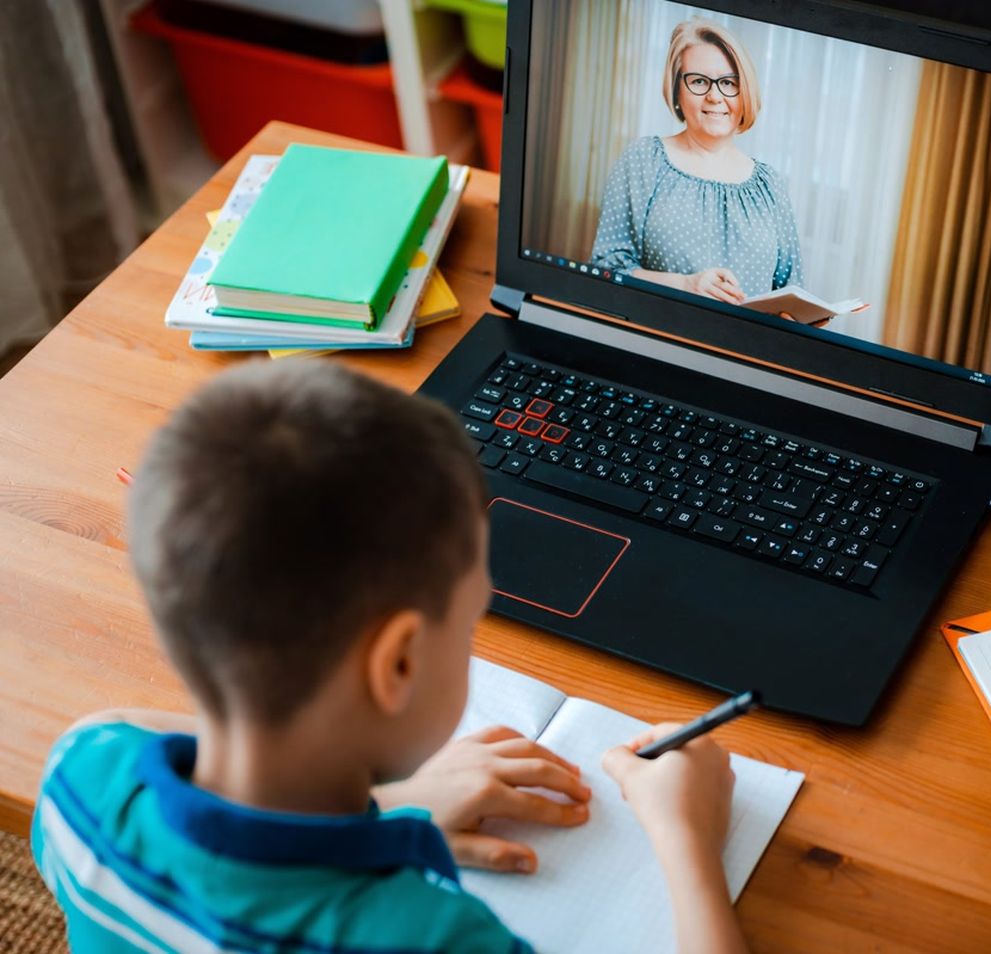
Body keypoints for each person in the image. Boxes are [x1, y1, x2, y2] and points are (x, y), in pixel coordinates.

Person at [30, 361, 745, 953]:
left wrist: (387, 806)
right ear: (397, 665)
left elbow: (121, 721)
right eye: (469, 622)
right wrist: (691, 839)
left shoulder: (81, 777)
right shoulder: (432, 938)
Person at [592, 18, 804, 306]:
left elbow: (790, 290)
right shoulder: (643, 160)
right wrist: (685, 284)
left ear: (746, 92)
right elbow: (606, 270)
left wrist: (804, 316)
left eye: (728, 82)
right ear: (677, 89)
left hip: (743, 349)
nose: (715, 96)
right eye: (699, 81)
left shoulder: (770, 184)